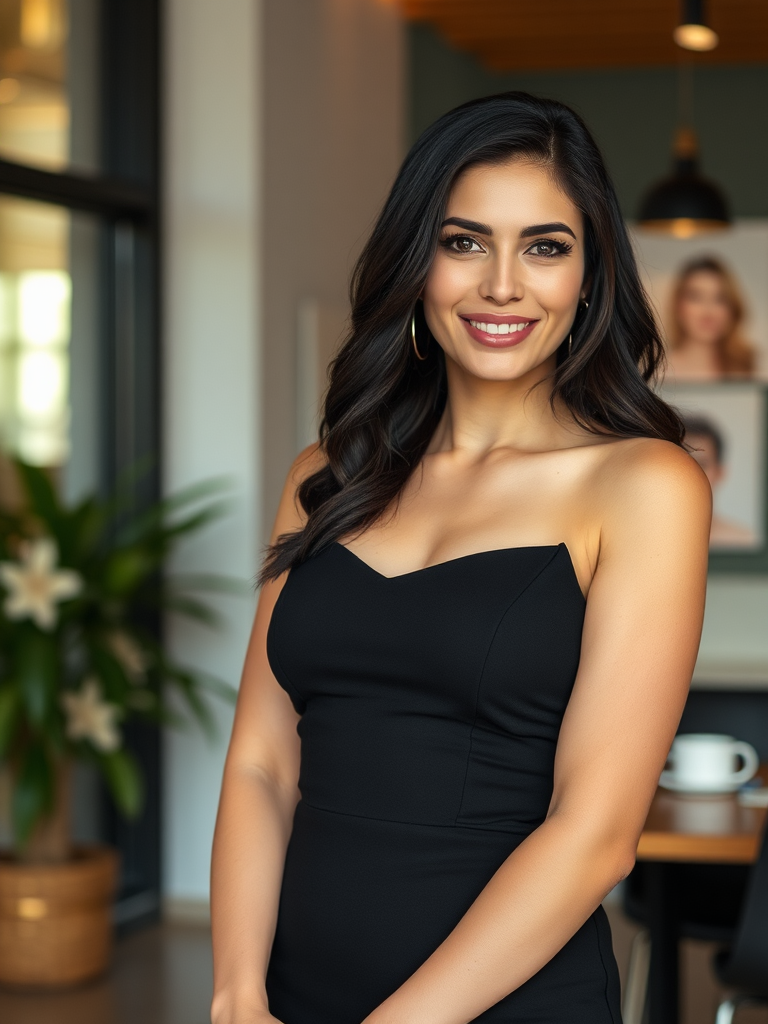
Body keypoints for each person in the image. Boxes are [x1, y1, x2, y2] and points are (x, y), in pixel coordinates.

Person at [210, 92, 711, 1024]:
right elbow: (261, 765)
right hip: (292, 994)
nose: (503, 285)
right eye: (465, 241)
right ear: (418, 260)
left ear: (592, 276)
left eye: (546, 247)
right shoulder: (326, 475)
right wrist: (237, 991)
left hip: (507, 1003)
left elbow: (595, 834)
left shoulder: (643, 486)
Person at [665, 255, 757, 382]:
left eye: (719, 299)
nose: (708, 311)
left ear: (732, 310)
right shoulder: (659, 373)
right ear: (678, 307)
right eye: (695, 297)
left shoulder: (747, 370)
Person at [683, 414, 757, 548]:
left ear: (720, 472)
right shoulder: (645, 540)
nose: (691, 474)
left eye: (702, 464)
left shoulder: (744, 543)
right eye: (681, 463)